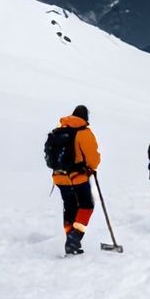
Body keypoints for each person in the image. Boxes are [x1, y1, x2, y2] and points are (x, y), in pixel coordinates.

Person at [53, 105, 101, 255]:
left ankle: (71, 241)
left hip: (59, 178)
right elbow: (93, 157)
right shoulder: (84, 132)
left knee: (70, 207)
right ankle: (74, 238)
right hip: (77, 177)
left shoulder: (59, 130)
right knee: (87, 205)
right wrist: (92, 168)